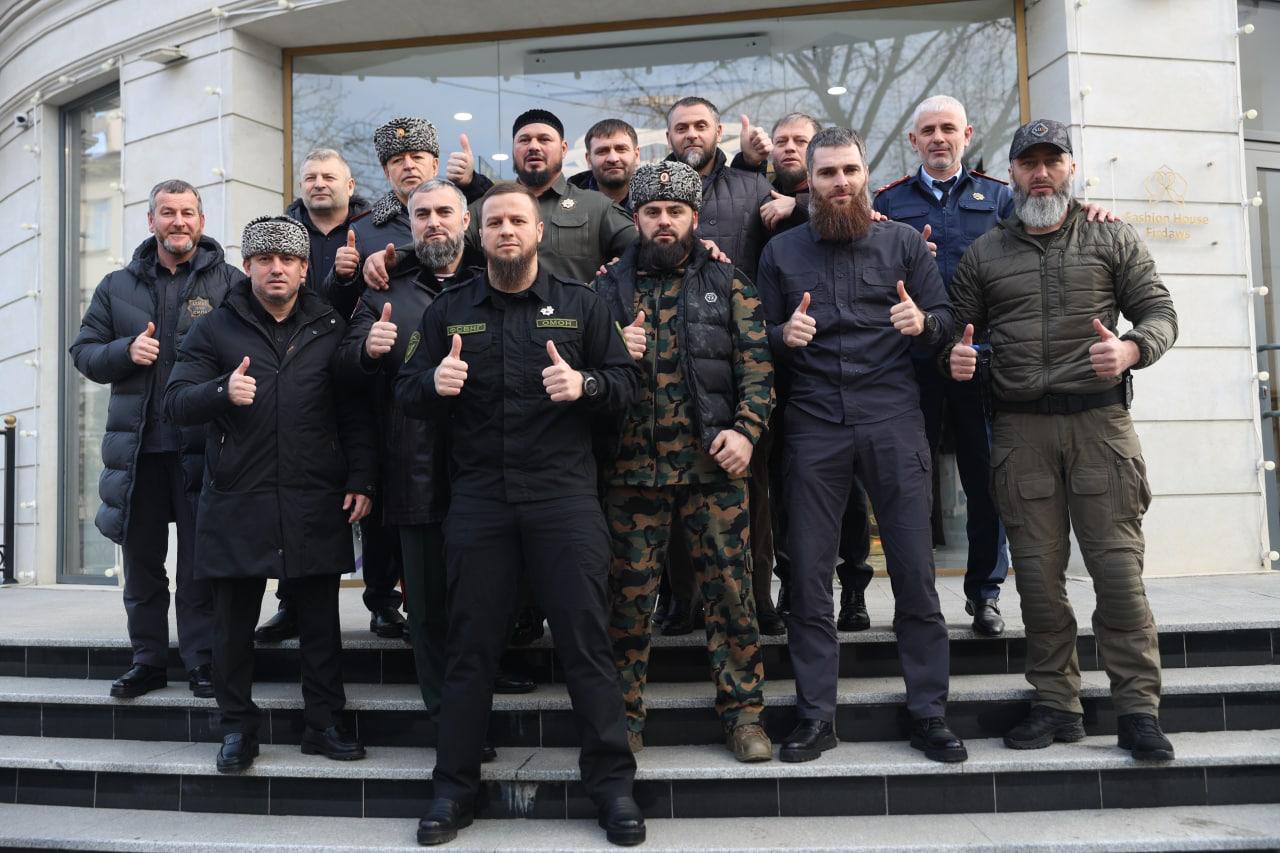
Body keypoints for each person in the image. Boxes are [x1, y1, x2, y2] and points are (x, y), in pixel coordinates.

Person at [397, 183, 643, 846]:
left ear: (538, 232)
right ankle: (453, 789)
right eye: (494, 222)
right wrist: (432, 385)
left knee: (587, 644)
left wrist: (585, 384)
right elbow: (407, 391)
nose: (506, 230)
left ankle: (613, 788)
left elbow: (626, 384)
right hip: (480, 500)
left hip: (564, 498)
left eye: (517, 220)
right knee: (470, 649)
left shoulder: (583, 306)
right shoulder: (449, 312)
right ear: (479, 236)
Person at [943, 119, 1178, 761]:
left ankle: (1138, 711)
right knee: (1039, 582)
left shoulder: (1111, 235)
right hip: (1020, 432)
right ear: (1012, 174)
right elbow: (955, 331)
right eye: (1029, 163)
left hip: (1101, 427)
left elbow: (1160, 311)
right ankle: (1056, 705)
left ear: (1071, 167)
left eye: (1053, 161)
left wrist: (1131, 349)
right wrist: (955, 358)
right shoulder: (985, 253)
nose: (1041, 173)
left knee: (1118, 575)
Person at [757, 126, 965, 765]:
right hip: (813, 423)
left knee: (915, 572)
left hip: (892, 418)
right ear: (809, 181)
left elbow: (947, 318)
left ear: (866, 172)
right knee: (808, 577)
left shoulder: (903, 243)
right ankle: (816, 716)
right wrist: (781, 335)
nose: (840, 182)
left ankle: (929, 711)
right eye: (827, 173)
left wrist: (923, 323)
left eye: (849, 170)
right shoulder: (781, 253)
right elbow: (753, 337)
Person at [164, 214, 376, 773]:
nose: (276, 268)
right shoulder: (213, 328)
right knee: (233, 626)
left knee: (320, 623)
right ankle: (237, 728)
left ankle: (324, 723)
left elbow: (354, 412)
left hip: (315, 495)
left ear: (305, 269)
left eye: (288, 259)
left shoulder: (331, 324)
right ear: (248, 266)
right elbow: (175, 402)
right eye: (264, 259)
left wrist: (361, 478)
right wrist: (221, 390)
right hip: (239, 496)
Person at [596, 161, 774, 761]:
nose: (664, 221)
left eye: (675, 211)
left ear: (695, 217)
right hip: (630, 471)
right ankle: (621, 720)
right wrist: (613, 349)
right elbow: (583, 369)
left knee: (731, 594)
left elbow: (758, 369)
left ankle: (744, 717)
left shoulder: (729, 281)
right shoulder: (605, 288)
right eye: (652, 211)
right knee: (626, 602)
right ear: (636, 218)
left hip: (713, 469)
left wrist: (747, 432)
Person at [336, 178, 508, 756]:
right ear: (409, 225)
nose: (433, 222)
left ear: (466, 220)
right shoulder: (384, 292)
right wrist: (367, 350)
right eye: (422, 214)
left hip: (488, 474)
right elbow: (343, 370)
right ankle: (448, 716)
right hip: (413, 473)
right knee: (429, 608)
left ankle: (479, 696)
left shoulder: (497, 279)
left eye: (444, 212)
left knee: (484, 601)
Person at [69, 179, 242, 701]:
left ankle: (201, 660)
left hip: (203, 449)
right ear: (151, 221)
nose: (178, 222)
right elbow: (83, 352)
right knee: (142, 565)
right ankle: (147, 661)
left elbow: (251, 349)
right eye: (167, 212)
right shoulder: (115, 286)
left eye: (187, 212)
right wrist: (124, 351)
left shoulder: (229, 283)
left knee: (198, 565)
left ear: (202, 221)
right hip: (138, 450)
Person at [321, 116, 480, 642]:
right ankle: (385, 601)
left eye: (417, 158)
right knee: (394, 512)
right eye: (396, 160)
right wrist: (346, 276)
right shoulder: (363, 228)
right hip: (391, 392)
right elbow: (337, 319)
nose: (408, 166)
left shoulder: (475, 220)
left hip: (469, 407)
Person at [734, 111, 877, 633]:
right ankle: (794, 585)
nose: (790, 147)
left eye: (801, 139)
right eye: (782, 140)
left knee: (852, 496)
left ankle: (854, 588)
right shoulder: (757, 199)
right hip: (785, 381)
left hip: (851, 383)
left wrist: (796, 205)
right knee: (788, 493)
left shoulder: (846, 201)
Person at [662, 96, 780, 637]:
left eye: (700, 125)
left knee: (752, 491)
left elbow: (802, 226)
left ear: (718, 131)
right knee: (675, 489)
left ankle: (759, 598)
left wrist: (779, 178)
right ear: (669, 136)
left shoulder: (753, 187)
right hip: (672, 360)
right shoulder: (655, 186)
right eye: (681, 127)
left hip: (742, 358)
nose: (691, 134)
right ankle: (681, 602)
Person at [257, 147, 371, 644]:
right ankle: (290, 604)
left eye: (329, 176)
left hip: (365, 365)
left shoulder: (372, 229)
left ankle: (382, 601)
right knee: (296, 496)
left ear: (350, 184)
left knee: (368, 488)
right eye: (310, 177)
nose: (319, 183)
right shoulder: (284, 233)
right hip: (299, 369)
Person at [570, 118, 642, 209]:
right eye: (602, 151)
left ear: (636, 155)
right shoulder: (563, 206)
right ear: (588, 160)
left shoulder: (657, 200)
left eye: (621, 149)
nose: (613, 159)